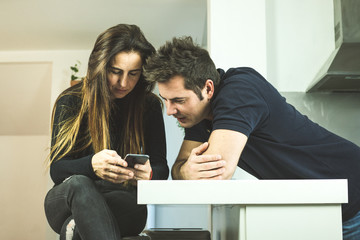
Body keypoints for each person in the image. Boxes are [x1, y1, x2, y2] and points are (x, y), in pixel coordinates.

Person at [143, 36, 360, 239]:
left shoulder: (239, 90)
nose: (170, 111)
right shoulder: (198, 116)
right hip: (321, 207)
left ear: (208, 88)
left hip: (353, 194)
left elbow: (216, 174)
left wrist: (187, 172)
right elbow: (179, 169)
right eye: (166, 100)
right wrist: (186, 171)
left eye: (178, 100)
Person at [44, 24, 169, 240]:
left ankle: (74, 226)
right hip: (67, 198)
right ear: (101, 66)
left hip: (122, 202)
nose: (123, 83)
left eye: (133, 74)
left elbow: (161, 167)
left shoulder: (149, 106)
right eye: (115, 72)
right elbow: (57, 170)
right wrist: (91, 165)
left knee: (74, 229)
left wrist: (148, 173)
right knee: (79, 183)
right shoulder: (71, 101)